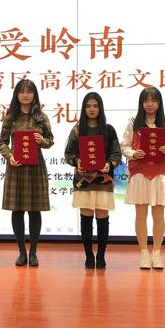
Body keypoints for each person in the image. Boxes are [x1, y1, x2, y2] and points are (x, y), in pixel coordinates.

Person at [120, 87, 165, 270]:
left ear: (159, 103)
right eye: (146, 100)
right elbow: (124, 146)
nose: (150, 104)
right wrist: (133, 153)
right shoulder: (133, 123)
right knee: (141, 215)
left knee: (159, 215)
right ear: (141, 103)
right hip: (139, 173)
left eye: (154, 100)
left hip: (161, 173)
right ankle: (144, 253)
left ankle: (157, 253)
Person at [0, 79, 54, 267]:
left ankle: (34, 253)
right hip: (16, 167)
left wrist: (41, 141)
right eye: (22, 91)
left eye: (29, 91)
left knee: (35, 210)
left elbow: (50, 140)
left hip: (36, 167)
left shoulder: (41, 117)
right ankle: (22, 252)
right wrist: (9, 156)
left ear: (34, 95)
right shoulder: (10, 117)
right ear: (16, 94)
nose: (25, 95)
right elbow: (2, 143)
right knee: (17, 210)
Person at [64, 92, 121, 269]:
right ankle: (89, 255)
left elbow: (116, 153)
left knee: (103, 218)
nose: (92, 109)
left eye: (95, 106)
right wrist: (77, 162)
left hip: (104, 180)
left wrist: (109, 164)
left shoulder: (108, 129)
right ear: (84, 109)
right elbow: (69, 153)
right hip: (83, 181)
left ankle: (101, 255)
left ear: (100, 108)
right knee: (86, 218)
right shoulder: (77, 130)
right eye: (88, 106)